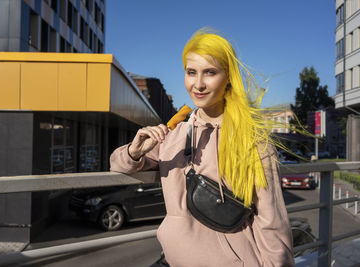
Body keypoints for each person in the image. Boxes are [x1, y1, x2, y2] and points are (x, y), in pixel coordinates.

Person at [110, 29, 294, 267]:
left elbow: (272, 222)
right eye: (191, 72)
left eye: (210, 72)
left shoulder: (253, 140)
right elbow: (117, 164)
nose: (198, 84)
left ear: (228, 77)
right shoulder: (174, 135)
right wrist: (134, 151)